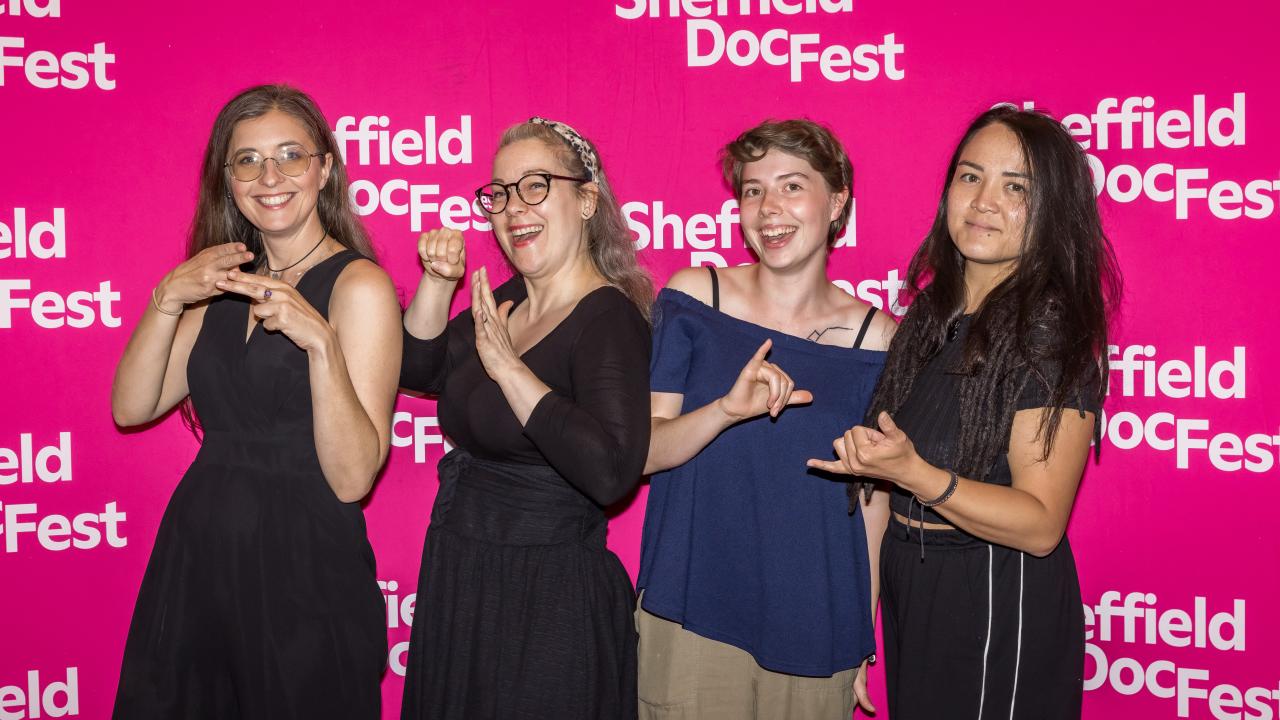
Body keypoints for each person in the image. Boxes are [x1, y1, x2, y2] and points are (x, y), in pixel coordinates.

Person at [808, 105, 1121, 720]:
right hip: (914, 584)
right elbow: (882, 487)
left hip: (997, 595)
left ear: (1053, 210)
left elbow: (1039, 524)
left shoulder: (1047, 331)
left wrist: (915, 473)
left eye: (1016, 188)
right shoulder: (929, 317)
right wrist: (861, 624)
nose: (983, 201)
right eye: (970, 176)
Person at [110, 84, 400, 719]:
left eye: (290, 154)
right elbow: (131, 407)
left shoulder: (360, 287)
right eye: (247, 160)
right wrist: (167, 296)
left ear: (325, 168)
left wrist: (320, 344)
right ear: (228, 178)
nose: (269, 176)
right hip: (200, 559)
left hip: (305, 568)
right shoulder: (224, 281)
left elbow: (353, 478)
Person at [638, 119, 896, 719]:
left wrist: (864, 632)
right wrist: (726, 410)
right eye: (753, 190)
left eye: (791, 186)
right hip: (691, 603)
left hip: (817, 621)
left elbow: (873, 503)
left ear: (837, 202)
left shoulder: (879, 339)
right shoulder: (693, 298)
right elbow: (645, 453)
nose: (769, 208)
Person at [398, 117, 653, 720]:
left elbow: (612, 471)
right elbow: (418, 370)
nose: (513, 207)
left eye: (536, 185)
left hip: (547, 602)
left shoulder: (607, 318)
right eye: (500, 192)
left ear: (587, 199)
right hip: (465, 574)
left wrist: (510, 370)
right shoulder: (505, 299)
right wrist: (437, 284)